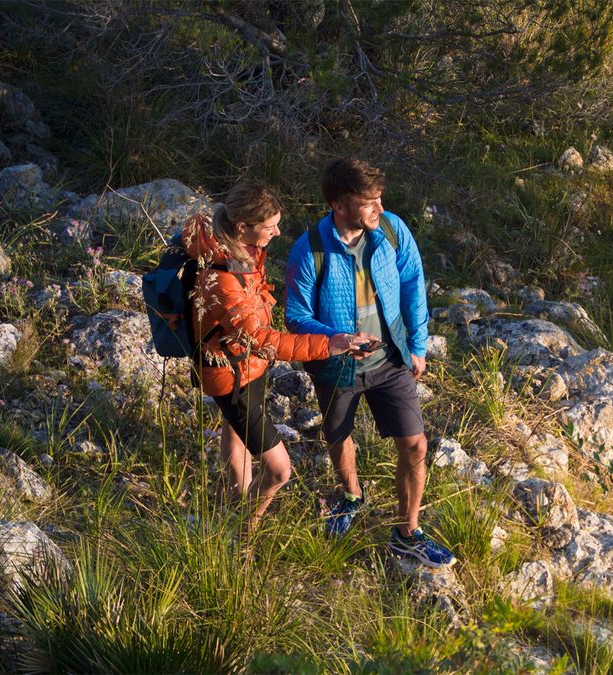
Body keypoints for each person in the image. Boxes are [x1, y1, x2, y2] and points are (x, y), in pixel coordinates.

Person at [285, 159, 456, 568]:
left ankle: (407, 533)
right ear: (339, 205)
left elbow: (414, 283)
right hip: (337, 366)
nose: (379, 207)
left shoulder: (392, 230)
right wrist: (337, 340)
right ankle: (350, 497)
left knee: (415, 444)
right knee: (338, 435)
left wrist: (417, 346)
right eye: (368, 201)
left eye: (380, 198)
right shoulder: (308, 249)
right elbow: (295, 315)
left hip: (391, 357)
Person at [183, 181, 366, 533]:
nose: (278, 232)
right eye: (270, 227)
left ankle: (236, 500)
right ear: (243, 227)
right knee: (280, 469)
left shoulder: (234, 248)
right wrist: (331, 344)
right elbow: (260, 340)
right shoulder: (222, 275)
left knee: (235, 432)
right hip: (230, 373)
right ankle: (244, 530)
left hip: (243, 365)